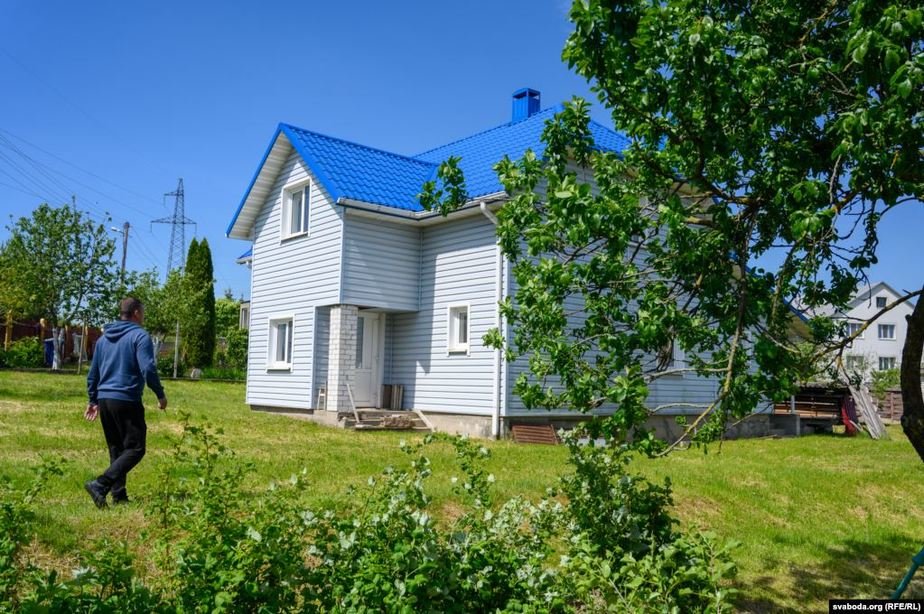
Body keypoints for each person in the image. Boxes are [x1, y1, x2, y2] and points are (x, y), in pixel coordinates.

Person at [84, 297, 167, 508]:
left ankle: (118, 496)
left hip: (105, 399)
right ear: (136, 312)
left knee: (116, 448)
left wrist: (93, 399)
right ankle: (100, 484)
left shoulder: (103, 339)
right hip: (126, 398)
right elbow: (148, 368)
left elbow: (93, 373)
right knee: (136, 448)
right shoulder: (140, 336)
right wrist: (160, 394)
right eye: (143, 312)